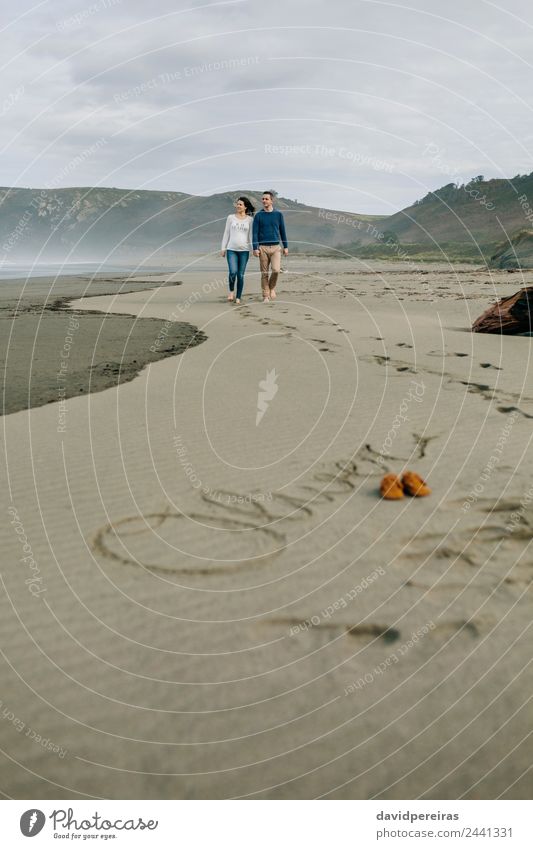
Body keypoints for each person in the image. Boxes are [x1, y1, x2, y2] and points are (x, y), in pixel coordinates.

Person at [252, 191, 289, 303]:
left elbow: (282, 231)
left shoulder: (278, 215)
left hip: (276, 247)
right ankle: (265, 296)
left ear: (272, 200)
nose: (264, 201)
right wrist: (255, 248)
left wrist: (285, 246)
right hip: (262, 247)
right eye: (263, 199)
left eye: (266, 199)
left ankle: (272, 288)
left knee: (276, 270)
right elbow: (254, 233)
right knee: (264, 273)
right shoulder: (258, 215)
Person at [220, 196, 255, 304]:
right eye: (237, 204)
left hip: (244, 251)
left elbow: (251, 236)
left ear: (245, 207)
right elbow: (226, 233)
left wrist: (254, 249)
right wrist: (223, 248)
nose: (238, 206)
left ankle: (238, 297)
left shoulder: (250, 220)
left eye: (240, 204)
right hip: (231, 250)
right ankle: (231, 291)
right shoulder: (231, 217)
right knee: (232, 272)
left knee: (240, 274)